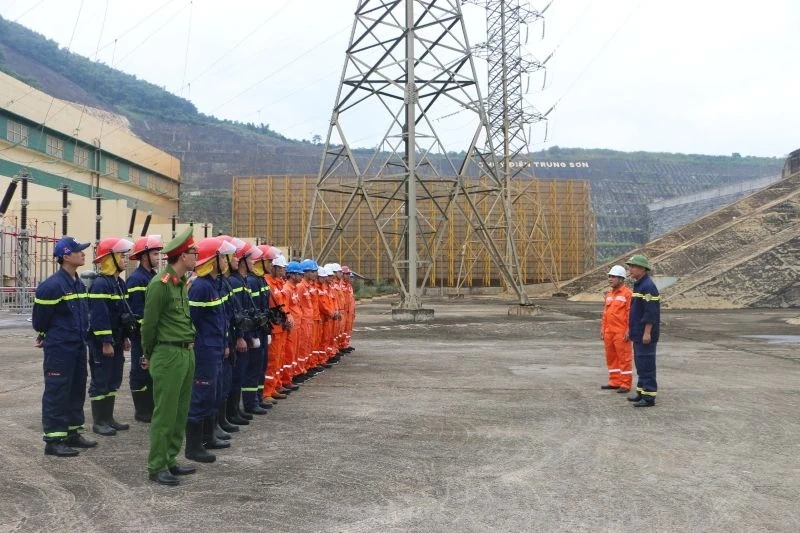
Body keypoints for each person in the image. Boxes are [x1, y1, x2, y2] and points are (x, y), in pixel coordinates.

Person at [140, 227, 198, 486]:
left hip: (186, 352)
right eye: (193, 252)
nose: (196, 256)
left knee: (179, 411)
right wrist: (148, 354)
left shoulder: (181, 284)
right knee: (165, 413)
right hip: (168, 354)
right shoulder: (160, 285)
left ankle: (170, 458)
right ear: (182, 256)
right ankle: (157, 465)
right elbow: (149, 325)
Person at [32, 236, 97, 457]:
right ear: (66, 256)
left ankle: (71, 432)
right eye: (78, 251)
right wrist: (45, 335)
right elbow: (40, 321)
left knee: (76, 388)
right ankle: (53, 439)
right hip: (60, 348)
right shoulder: (52, 286)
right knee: (57, 391)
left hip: (78, 345)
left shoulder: (77, 282)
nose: (83, 253)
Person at [186, 237, 231, 463]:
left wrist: (223, 345)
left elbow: (219, 320)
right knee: (200, 396)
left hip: (214, 348)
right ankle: (194, 447)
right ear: (211, 260)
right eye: (222, 257)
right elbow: (190, 321)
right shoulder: (201, 287)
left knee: (212, 394)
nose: (226, 260)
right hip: (203, 351)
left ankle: (208, 436)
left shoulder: (214, 285)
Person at [88, 236, 134, 436]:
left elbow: (122, 313)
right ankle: (99, 421)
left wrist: (124, 337)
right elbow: (100, 316)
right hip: (102, 343)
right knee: (101, 380)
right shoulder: (100, 285)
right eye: (122, 256)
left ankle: (109, 418)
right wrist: (106, 342)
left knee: (114, 378)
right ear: (110, 259)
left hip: (116, 339)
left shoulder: (119, 284)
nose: (126, 259)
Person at [126, 234, 163, 423]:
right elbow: (138, 312)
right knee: (140, 372)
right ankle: (141, 410)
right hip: (141, 335)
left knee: (151, 372)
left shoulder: (152, 277)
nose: (158, 257)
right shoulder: (136, 280)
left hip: (152, 335)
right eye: (155, 254)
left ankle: (150, 406)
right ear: (144, 256)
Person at [625, 254, 661, 407]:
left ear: (642, 268)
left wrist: (647, 332)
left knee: (646, 364)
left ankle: (649, 396)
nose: (630, 270)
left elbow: (650, 313)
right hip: (637, 332)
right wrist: (630, 330)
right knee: (640, 364)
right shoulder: (639, 284)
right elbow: (635, 311)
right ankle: (641, 392)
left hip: (645, 334)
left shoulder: (648, 287)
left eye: (633, 267)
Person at [600, 265, 633, 393]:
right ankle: (615, 381)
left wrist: (628, 330)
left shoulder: (628, 294)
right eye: (609, 276)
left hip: (621, 332)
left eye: (613, 276)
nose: (610, 279)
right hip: (609, 332)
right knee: (611, 357)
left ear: (621, 279)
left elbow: (631, 314)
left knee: (624, 358)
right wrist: (603, 329)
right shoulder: (609, 295)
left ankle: (625, 384)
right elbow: (605, 313)